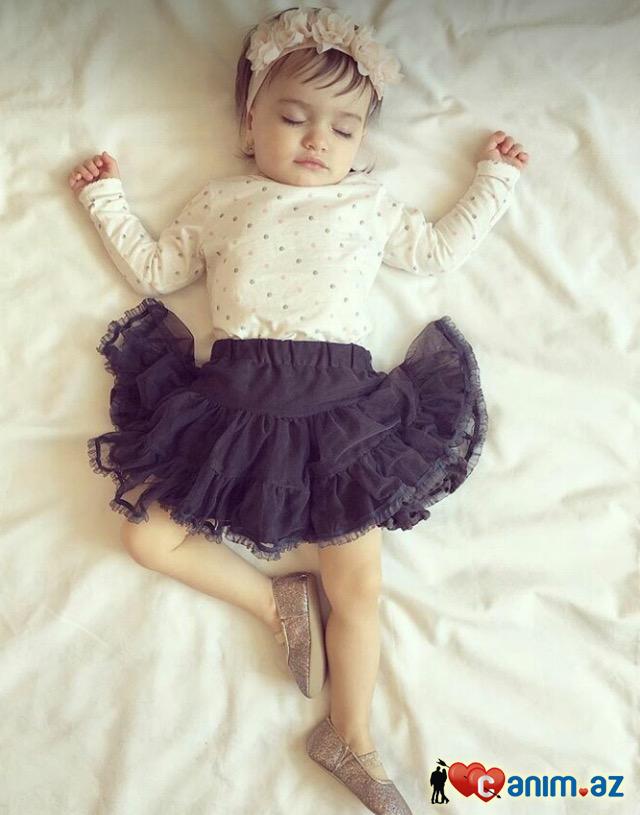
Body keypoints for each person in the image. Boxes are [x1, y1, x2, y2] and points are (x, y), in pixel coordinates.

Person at [68, 6, 529, 814]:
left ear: (362, 140)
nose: (319, 139)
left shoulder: (368, 202)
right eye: (293, 117)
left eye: (344, 128)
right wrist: (105, 196)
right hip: (233, 407)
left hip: (340, 415)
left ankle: (350, 737)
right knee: (146, 536)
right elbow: (157, 269)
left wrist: (493, 180)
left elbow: (435, 252)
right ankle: (273, 600)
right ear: (249, 122)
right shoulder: (222, 200)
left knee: (359, 587)